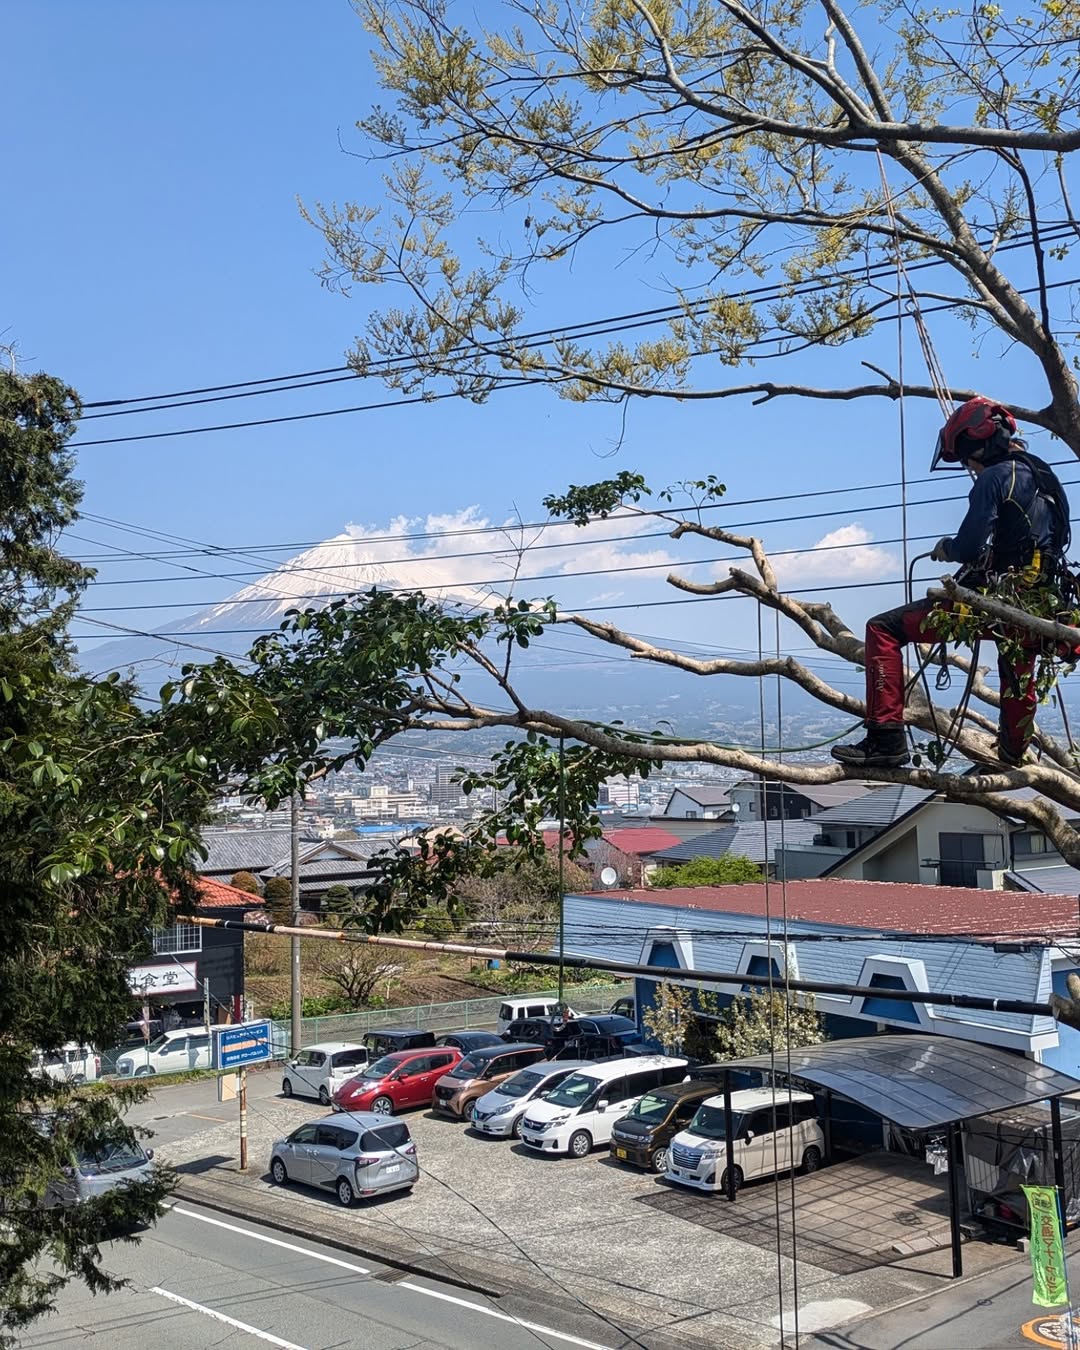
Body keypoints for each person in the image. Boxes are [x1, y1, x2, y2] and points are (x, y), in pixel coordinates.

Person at [832, 397, 1072, 770]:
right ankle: (1012, 752)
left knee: (882, 629)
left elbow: (970, 544)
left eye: (967, 457)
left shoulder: (995, 477)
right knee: (1017, 664)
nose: (969, 467)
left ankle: (886, 739)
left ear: (979, 445)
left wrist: (949, 548)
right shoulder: (1042, 476)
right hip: (1041, 602)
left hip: (1001, 602)